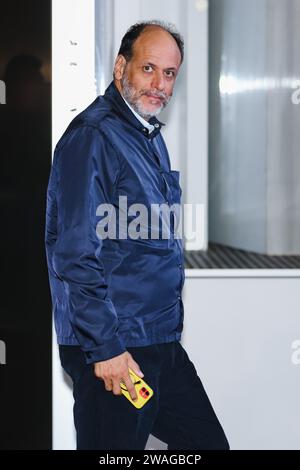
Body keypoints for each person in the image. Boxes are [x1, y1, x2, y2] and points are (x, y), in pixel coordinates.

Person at [45, 20, 229, 450]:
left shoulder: (146, 136)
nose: (159, 84)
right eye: (148, 68)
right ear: (120, 66)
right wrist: (105, 348)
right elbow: (73, 254)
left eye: (169, 74)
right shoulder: (94, 137)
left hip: (158, 341)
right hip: (116, 348)